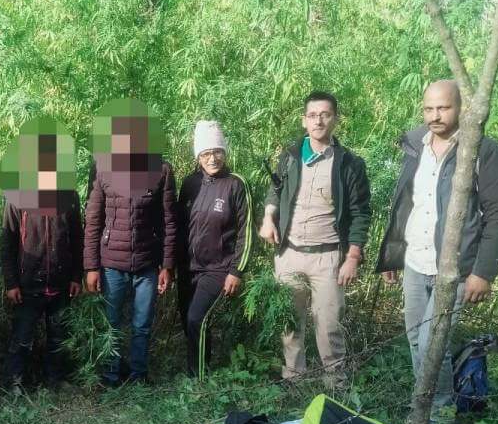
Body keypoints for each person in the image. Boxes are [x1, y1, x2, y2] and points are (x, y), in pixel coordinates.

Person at [375, 80, 498, 410]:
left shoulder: (485, 151)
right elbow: (405, 204)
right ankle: (428, 406)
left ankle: (436, 414)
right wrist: (394, 256)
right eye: (429, 108)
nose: (435, 115)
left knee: (431, 346)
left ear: (461, 108)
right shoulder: (415, 145)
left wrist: (483, 273)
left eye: (443, 107)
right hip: (414, 261)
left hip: (455, 269)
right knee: (415, 341)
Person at [259, 92, 371, 390]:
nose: (319, 120)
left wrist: (353, 257)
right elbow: (275, 189)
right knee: (289, 325)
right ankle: (294, 382)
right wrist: (268, 218)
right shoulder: (291, 155)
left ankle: (336, 387)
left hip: (329, 257)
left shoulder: (349, 164)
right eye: (313, 115)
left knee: (329, 326)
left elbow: (361, 213)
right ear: (304, 120)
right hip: (290, 253)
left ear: (335, 119)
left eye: (325, 114)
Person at [84, 98, 177, 386]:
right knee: (111, 325)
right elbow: (93, 220)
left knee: (141, 326)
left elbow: (169, 222)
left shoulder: (161, 170)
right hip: (111, 264)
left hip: (148, 265)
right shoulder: (104, 168)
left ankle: (138, 375)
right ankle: (111, 375)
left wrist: (167, 265)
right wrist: (91, 267)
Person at [0, 118, 83, 392]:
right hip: (27, 283)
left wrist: (75, 276)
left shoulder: (69, 194)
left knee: (58, 334)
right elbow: (8, 242)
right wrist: (11, 282)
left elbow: (77, 238)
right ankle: (15, 382)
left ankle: (55, 380)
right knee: (22, 337)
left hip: (60, 281)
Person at [176, 121, 252, 379]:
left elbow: (246, 231)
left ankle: (196, 380)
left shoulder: (236, 184)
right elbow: (178, 226)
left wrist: (237, 271)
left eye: (217, 151)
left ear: (225, 152)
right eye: (206, 153)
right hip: (188, 268)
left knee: (197, 318)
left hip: (218, 268)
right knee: (189, 321)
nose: (213, 158)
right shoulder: (190, 183)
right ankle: (200, 367)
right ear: (198, 156)